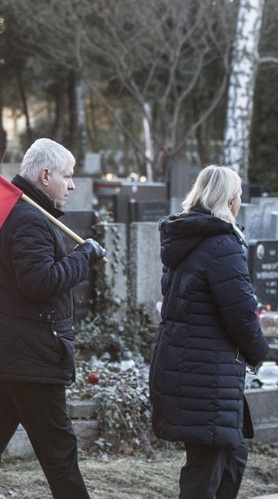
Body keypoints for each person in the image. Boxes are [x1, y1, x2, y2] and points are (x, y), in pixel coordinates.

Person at [0, 138, 106, 499]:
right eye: (67, 176)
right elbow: (41, 282)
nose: (71, 185)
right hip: (30, 360)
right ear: (44, 175)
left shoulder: (10, 210)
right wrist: (84, 256)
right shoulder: (28, 219)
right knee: (59, 454)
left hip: (4, 354)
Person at [149, 165, 270, 499]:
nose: (241, 200)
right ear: (230, 199)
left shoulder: (187, 240)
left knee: (231, 458)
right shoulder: (222, 244)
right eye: (239, 194)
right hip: (207, 375)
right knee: (205, 472)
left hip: (188, 365)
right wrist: (260, 351)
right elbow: (241, 313)